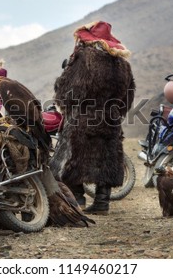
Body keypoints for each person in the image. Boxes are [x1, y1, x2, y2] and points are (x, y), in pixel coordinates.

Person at [50, 21, 135, 215]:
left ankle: (77, 199)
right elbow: (128, 96)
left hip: (83, 118)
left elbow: (70, 88)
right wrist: (114, 112)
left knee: (76, 159)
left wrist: (63, 97)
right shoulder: (123, 65)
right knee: (107, 160)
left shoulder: (85, 58)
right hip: (111, 120)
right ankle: (102, 203)